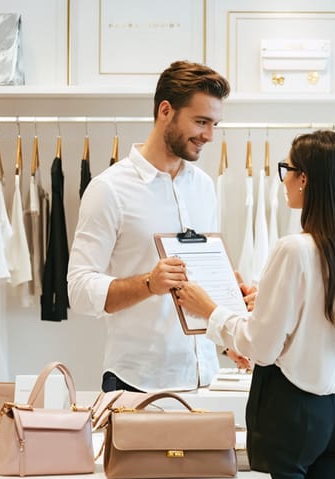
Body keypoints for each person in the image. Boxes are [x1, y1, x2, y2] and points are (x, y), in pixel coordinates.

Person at [177, 130, 335, 479]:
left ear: (304, 178)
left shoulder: (295, 248)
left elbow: (262, 348)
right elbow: (325, 322)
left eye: (287, 168)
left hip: (295, 414)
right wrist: (264, 303)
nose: (283, 177)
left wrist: (211, 310)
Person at [67, 60, 250, 393]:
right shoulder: (108, 189)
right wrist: (149, 283)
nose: (209, 135)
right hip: (137, 384)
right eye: (201, 121)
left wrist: (229, 332)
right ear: (166, 111)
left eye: (214, 124)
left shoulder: (204, 187)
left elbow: (199, 283)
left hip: (205, 380)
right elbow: (78, 290)